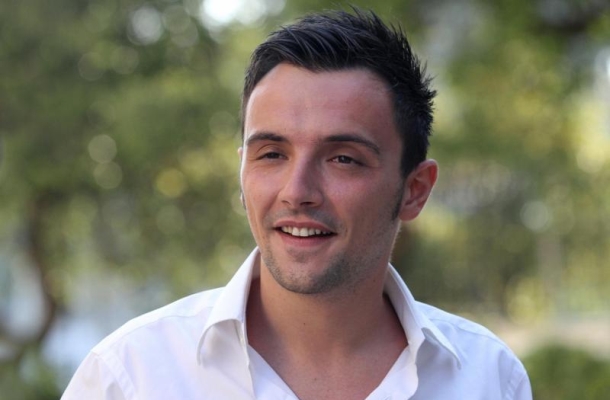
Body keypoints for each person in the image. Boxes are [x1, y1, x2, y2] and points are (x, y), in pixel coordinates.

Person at [63, 8, 532, 400]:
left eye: (343, 158)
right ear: (242, 171)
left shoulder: (488, 379)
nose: (297, 190)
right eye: (271, 154)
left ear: (415, 190)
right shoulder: (130, 376)